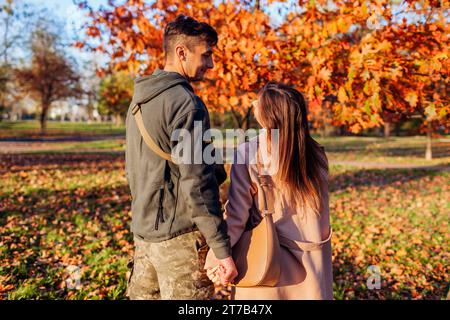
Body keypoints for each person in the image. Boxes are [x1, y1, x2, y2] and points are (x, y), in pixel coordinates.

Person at [125, 14, 237, 300]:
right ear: (181, 52)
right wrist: (221, 249)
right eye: (206, 55)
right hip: (180, 242)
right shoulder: (187, 105)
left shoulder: (139, 100)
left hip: (143, 234)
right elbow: (197, 184)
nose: (211, 64)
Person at [205, 82, 333, 299]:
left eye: (259, 102)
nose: (254, 103)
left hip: (268, 267)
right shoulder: (316, 155)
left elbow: (237, 215)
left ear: (268, 115)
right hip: (312, 268)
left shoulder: (249, 153)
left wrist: (217, 257)